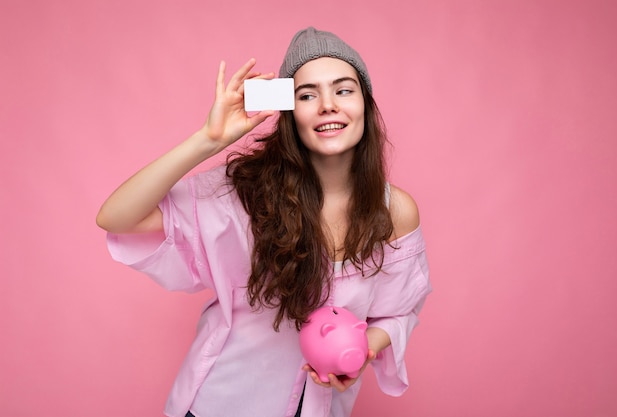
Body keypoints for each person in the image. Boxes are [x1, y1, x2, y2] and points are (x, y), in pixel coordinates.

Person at [97, 27, 431, 417]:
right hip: (220, 404)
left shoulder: (395, 212)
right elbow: (117, 217)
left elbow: (398, 310)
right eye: (307, 95)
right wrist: (209, 139)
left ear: (365, 104)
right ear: (290, 113)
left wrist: (363, 352)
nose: (327, 105)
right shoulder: (244, 194)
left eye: (343, 90)